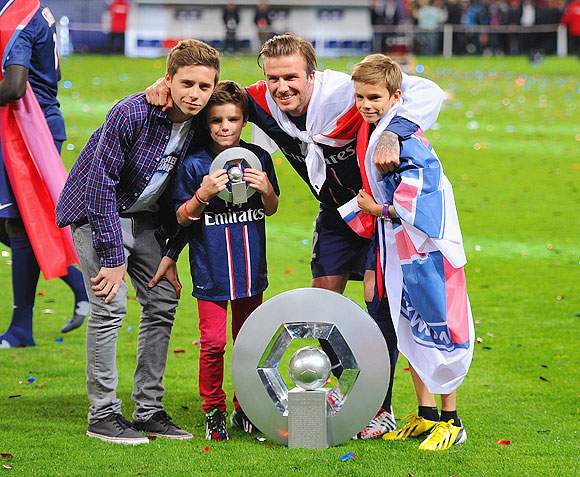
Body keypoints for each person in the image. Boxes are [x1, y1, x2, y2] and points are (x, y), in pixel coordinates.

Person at [145, 32, 444, 440]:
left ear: (312, 74)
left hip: (378, 208)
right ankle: (344, 393)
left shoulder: (343, 90)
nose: (282, 86)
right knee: (322, 309)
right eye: (273, 78)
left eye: (291, 77)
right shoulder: (261, 99)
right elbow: (217, 98)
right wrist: (162, 85)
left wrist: (395, 131)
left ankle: (380, 407)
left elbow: (426, 91)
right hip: (336, 213)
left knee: (380, 305)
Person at [55, 39, 221, 444]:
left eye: (204, 87)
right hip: (99, 215)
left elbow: (180, 195)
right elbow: (99, 188)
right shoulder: (130, 113)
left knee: (163, 300)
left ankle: (148, 410)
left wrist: (169, 252)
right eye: (186, 84)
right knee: (109, 307)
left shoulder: (202, 121)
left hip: (146, 220)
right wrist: (112, 259)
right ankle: (103, 414)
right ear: (168, 79)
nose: (195, 94)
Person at [351, 53, 474, 450]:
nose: (366, 105)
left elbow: (429, 195)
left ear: (396, 96)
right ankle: (425, 414)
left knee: (437, 325)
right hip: (397, 248)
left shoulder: (402, 136)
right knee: (409, 326)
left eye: (374, 97)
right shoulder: (379, 128)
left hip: (425, 252)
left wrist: (379, 209)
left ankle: (452, 421)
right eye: (360, 98)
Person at [174, 80, 279, 441]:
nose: (224, 127)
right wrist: (202, 195)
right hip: (212, 272)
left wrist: (266, 190)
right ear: (206, 122)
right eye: (216, 120)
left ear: (243, 120)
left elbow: (271, 208)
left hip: (251, 269)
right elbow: (181, 217)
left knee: (248, 343)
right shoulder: (194, 165)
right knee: (215, 344)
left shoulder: (258, 159)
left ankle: (245, 407)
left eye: (232, 119)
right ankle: (213, 410)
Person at [0, 0, 89, 349]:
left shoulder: (16, 19)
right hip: (31, 127)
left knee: (22, 224)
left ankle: (21, 328)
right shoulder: (34, 10)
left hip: (28, 133)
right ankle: (78, 285)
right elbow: (56, 72)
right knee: (12, 224)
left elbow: (15, 87)